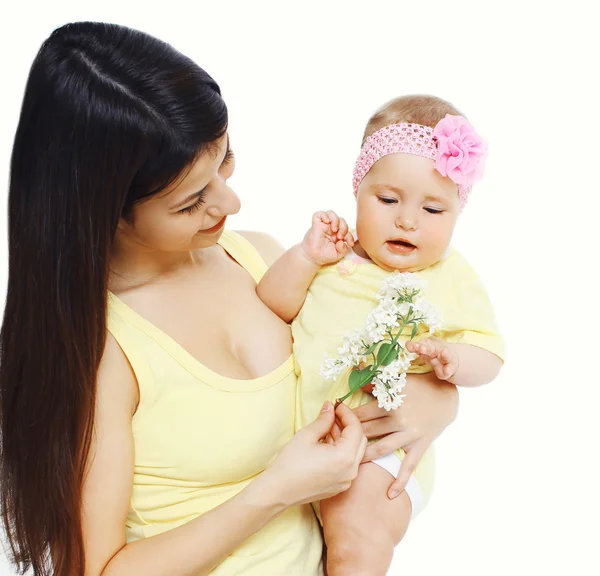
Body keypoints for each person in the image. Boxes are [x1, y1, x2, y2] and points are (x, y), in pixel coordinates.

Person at [0, 24, 459, 576]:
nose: (231, 201)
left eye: (225, 161)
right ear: (105, 210)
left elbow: (369, 364)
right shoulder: (101, 353)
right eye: (193, 199)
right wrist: (275, 490)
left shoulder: (264, 261)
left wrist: (436, 404)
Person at [257, 95, 505, 575]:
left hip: (380, 452)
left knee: (355, 541)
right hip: (300, 442)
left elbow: (491, 355)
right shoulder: (335, 256)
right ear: (357, 191)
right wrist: (306, 258)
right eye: (388, 200)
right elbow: (273, 305)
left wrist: (452, 358)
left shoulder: (450, 276)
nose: (407, 220)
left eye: (434, 210)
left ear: (458, 214)